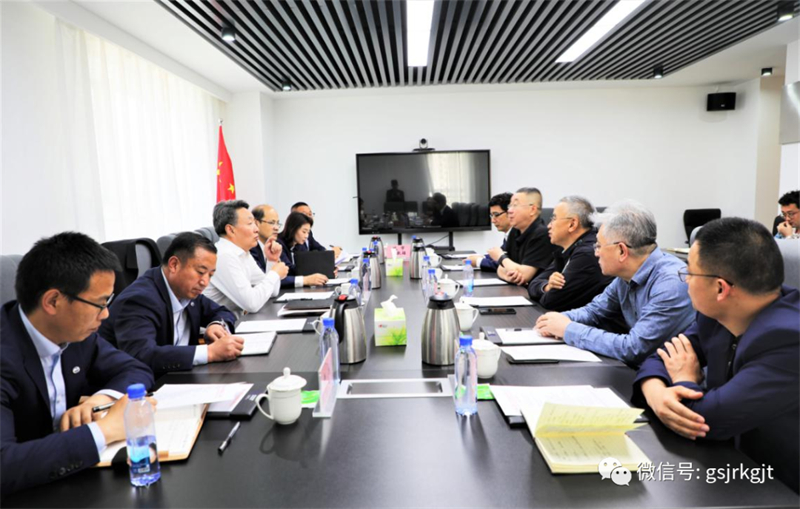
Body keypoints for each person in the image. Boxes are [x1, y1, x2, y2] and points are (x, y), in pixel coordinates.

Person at [634, 217, 799, 492]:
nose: (686, 280)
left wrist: (684, 381)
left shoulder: (789, 340)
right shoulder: (718, 314)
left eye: (690, 272)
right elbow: (660, 357)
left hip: (780, 487)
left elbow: (707, 421)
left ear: (720, 288)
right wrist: (657, 394)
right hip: (734, 467)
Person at [1, 232, 154, 496]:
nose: (106, 314)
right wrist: (104, 430)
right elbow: (4, 465)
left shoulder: (77, 334)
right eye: (99, 303)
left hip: (74, 481)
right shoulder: (6, 353)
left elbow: (136, 369)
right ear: (53, 301)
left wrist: (100, 400)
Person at [536, 200, 694, 367]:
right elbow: (594, 311)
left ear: (621, 251)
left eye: (598, 246)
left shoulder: (671, 284)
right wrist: (558, 320)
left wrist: (568, 329)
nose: (596, 253)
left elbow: (634, 348)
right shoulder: (625, 276)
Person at [99, 233, 242, 377]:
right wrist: (209, 352)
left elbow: (222, 312)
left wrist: (216, 325)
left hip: (183, 377)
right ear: (174, 265)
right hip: (145, 383)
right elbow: (142, 354)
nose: (205, 282)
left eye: (210, 275)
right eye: (200, 272)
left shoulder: (188, 291)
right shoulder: (139, 299)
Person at [204, 200, 288, 318]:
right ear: (230, 230)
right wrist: (275, 273)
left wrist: (271, 261)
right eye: (250, 224)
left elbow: (272, 292)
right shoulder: (223, 256)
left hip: (237, 321)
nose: (256, 229)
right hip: (219, 327)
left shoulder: (243, 253)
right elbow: (252, 304)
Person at [528, 196, 613, 311]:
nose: (549, 225)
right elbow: (533, 284)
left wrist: (546, 290)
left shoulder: (587, 254)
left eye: (554, 219)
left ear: (572, 224)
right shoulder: (567, 249)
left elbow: (551, 301)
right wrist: (547, 286)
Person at [489, 187, 554, 286]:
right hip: (517, 289)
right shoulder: (514, 231)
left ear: (532, 210)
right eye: (510, 206)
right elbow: (501, 268)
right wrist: (508, 276)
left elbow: (524, 275)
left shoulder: (542, 234)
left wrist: (500, 256)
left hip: (536, 293)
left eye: (515, 205)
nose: (509, 211)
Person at [276, 212, 330, 287]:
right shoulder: (278, 244)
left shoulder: (300, 245)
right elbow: (289, 269)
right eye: (304, 232)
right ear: (293, 229)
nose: (306, 236)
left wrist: (329, 269)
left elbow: (306, 265)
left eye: (308, 232)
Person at [467, 192, 512, 272]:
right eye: (491, 215)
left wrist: (478, 261)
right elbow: (502, 254)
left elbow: (507, 264)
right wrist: (482, 257)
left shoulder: (520, 234)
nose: (492, 220)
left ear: (510, 213)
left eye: (496, 215)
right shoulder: (509, 234)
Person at [250, 204, 282, 272]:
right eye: (272, 223)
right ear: (256, 223)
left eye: (278, 223)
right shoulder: (251, 248)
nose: (276, 228)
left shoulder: (276, 245)